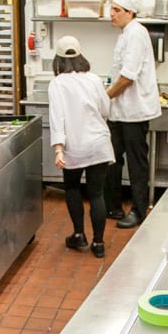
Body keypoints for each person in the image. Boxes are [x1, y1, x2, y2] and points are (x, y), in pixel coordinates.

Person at [48, 36, 114, 258]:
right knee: (97, 194)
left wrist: (58, 149)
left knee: (73, 188)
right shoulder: (94, 79)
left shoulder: (57, 83)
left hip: (73, 146)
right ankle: (98, 243)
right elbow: (106, 109)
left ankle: (79, 235)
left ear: (57, 59)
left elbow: (57, 118)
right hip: (98, 143)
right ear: (79, 55)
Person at [104, 0, 161, 229]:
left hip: (134, 112)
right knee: (112, 159)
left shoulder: (137, 33)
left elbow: (127, 77)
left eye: (117, 10)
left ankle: (138, 211)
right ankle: (114, 206)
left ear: (130, 12)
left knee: (137, 163)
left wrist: (103, 98)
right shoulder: (125, 34)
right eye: (112, 9)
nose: (112, 14)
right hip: (119, 111)